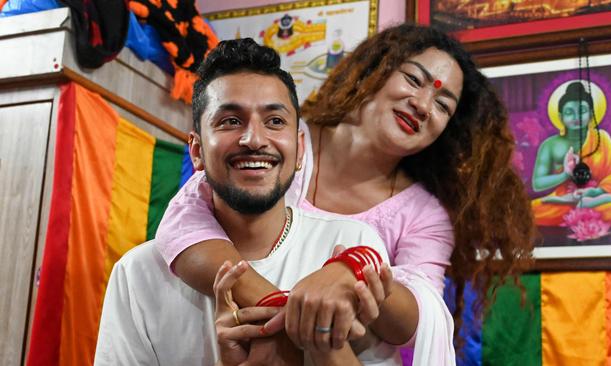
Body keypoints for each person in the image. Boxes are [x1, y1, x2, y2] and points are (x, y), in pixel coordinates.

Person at [155, 24, 536, 361]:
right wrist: (282, 313)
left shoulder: (424, 214)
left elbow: (421, 318)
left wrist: (354, 270)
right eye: (414, 80)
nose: (421, 105)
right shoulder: (282, 141)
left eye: (442, 105)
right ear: (375, 71)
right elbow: (184, 219)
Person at [94, 38, 414, 365]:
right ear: (197, 150)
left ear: (300, 149)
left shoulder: (350, 243)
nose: (254, 139)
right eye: (231, 121)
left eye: (274, 121)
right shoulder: (139, 274)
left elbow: (407, 327)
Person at [532, 81, 611, 226]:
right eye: (569, 112)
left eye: (582, 111)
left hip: (600, 195)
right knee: (530, 211)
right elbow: (537, 184)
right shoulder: (550, 145)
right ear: (561, 117)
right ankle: (586, 208)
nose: (576, 117)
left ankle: (586, 207)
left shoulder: (602, 138)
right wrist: (565, 174)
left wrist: (596, 192)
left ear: (592, 114)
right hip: (565, 200)